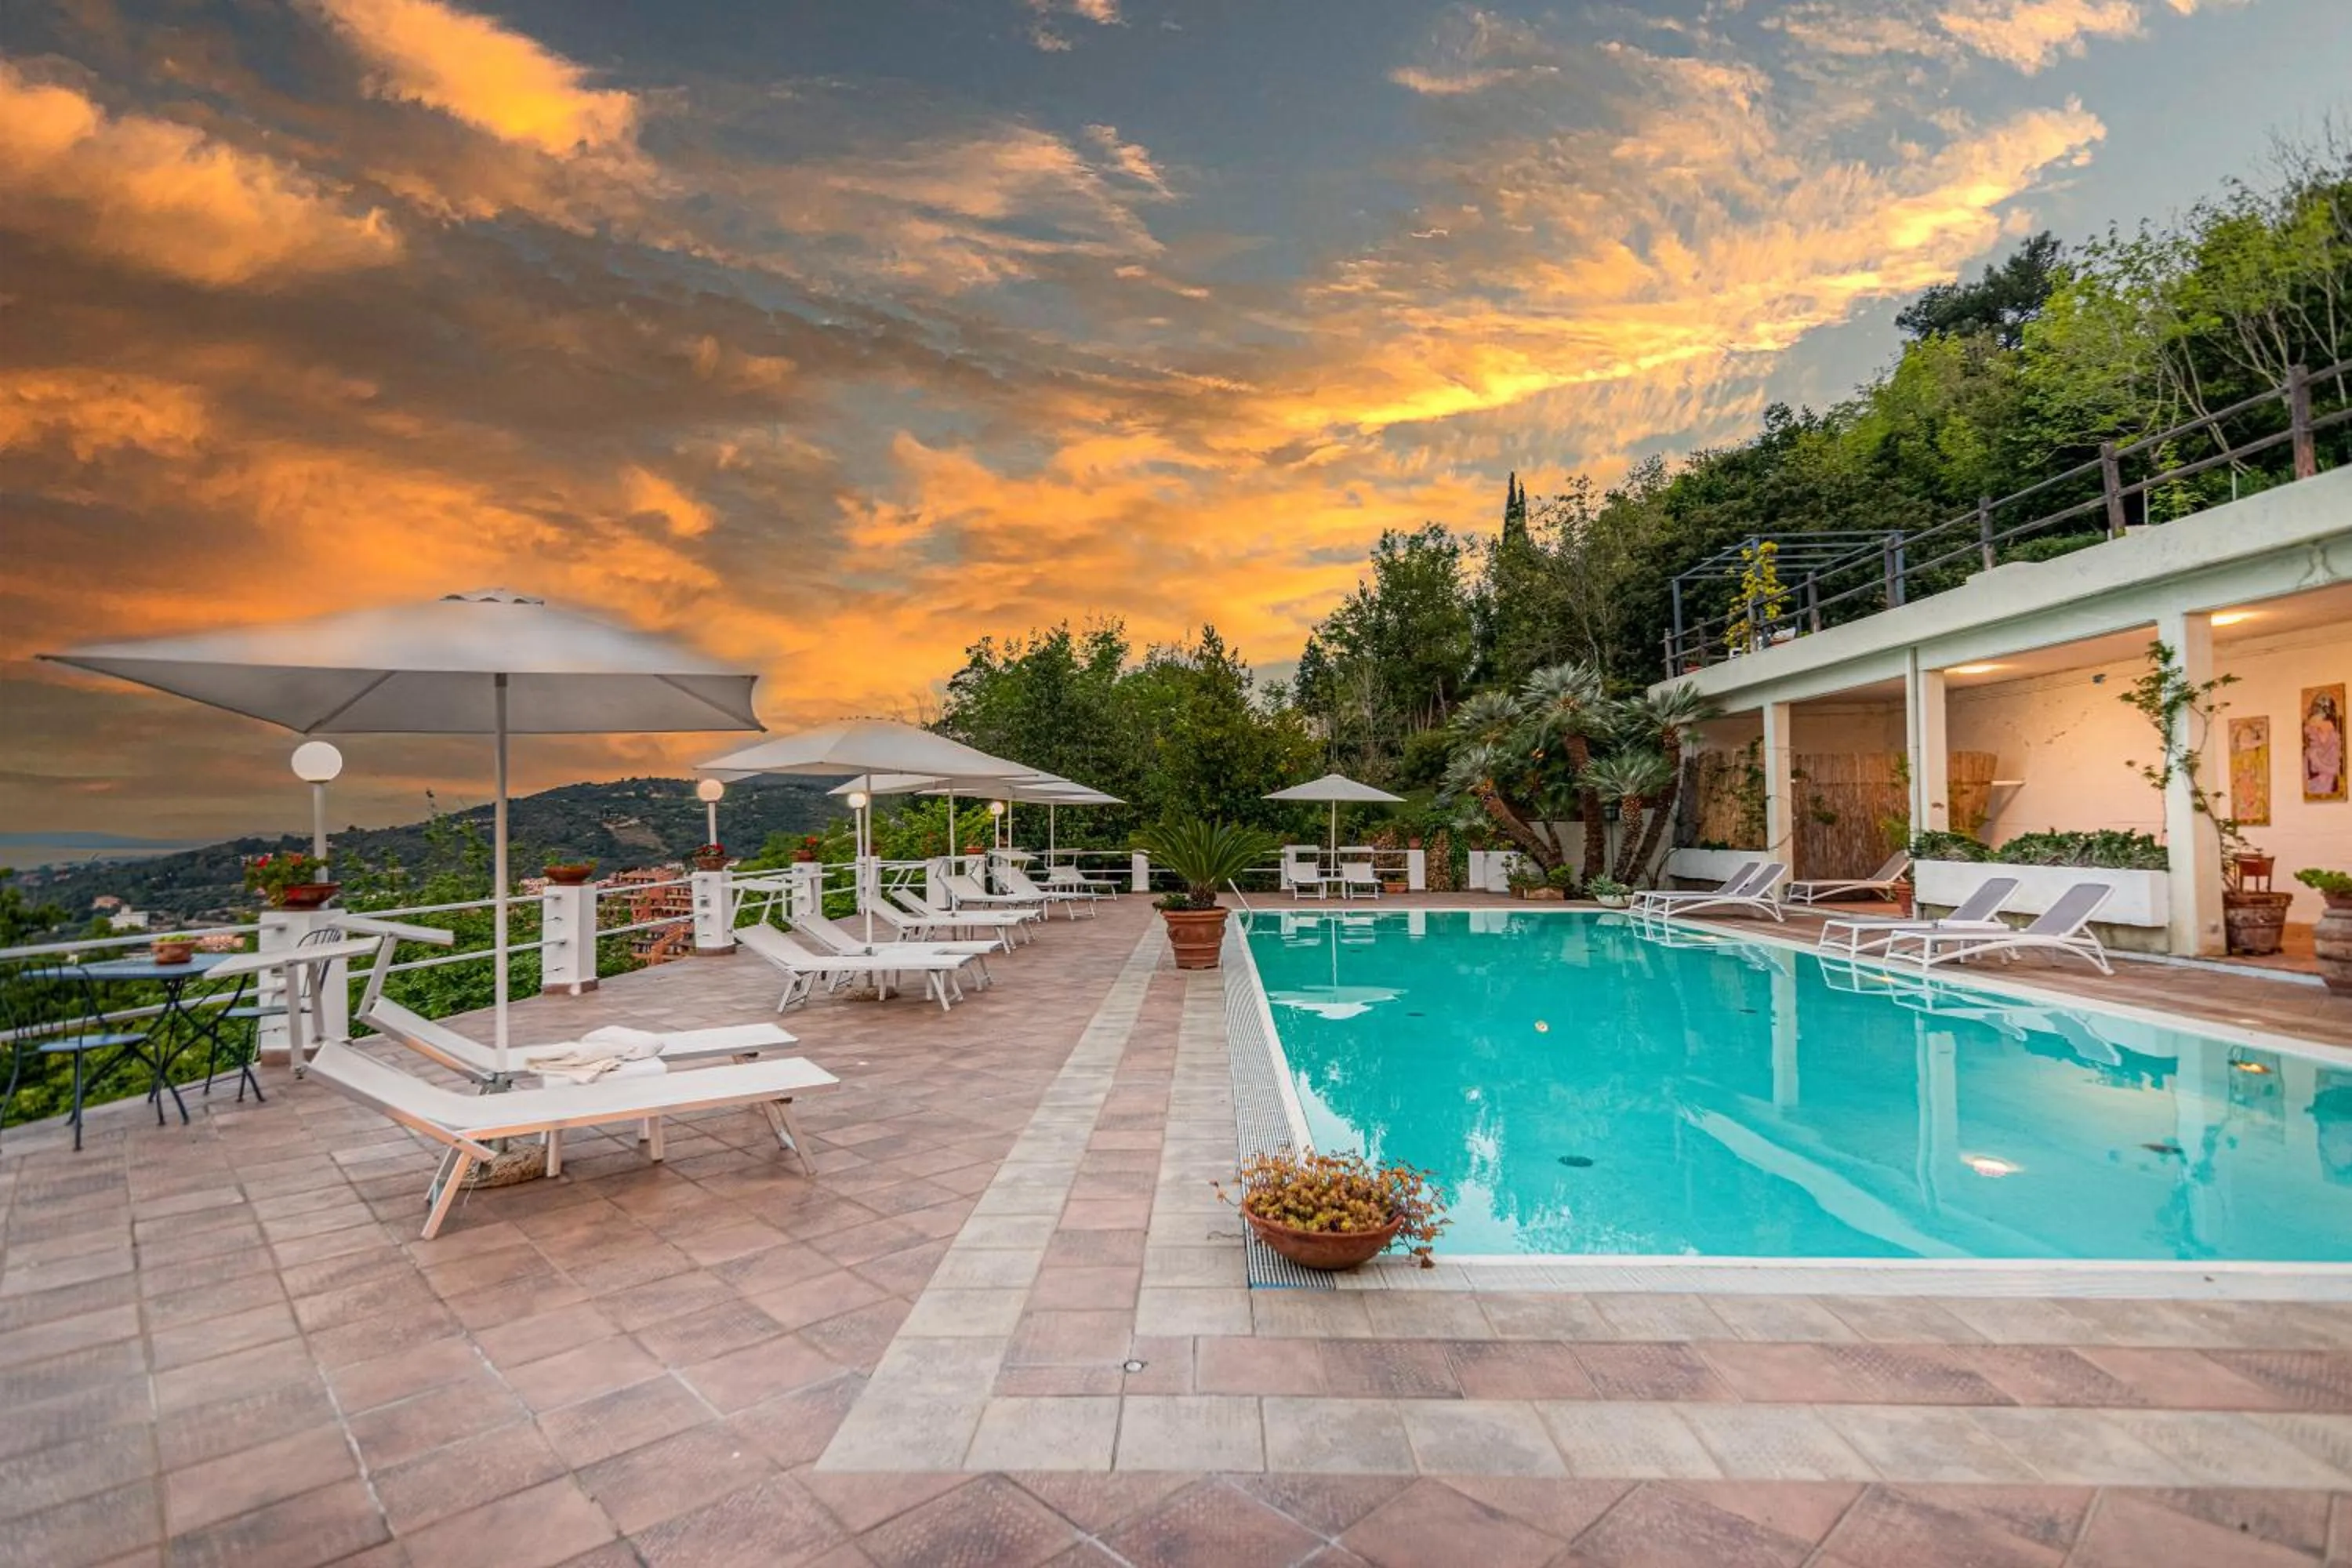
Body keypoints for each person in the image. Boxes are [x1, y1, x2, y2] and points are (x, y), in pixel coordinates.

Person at [2306, 691, 2346, 800]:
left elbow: (2334, 768)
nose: (2312, 735)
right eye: (2313, 730)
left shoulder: (2335, 744)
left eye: (2319, 730)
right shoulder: (2311, 754)